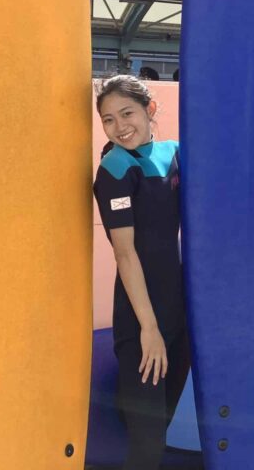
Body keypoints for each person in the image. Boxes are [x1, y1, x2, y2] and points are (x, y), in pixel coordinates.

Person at [93, 75, 190, 470]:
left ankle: (124, 401)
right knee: (148, 446)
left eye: (127, 113)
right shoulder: (115, 168)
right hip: (140, 320)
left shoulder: (175, 152)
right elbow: (125, 254)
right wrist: (149, 329)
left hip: (179, 314)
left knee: (159, 427)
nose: (119, 126)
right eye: (108, 119)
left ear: (150, 109)